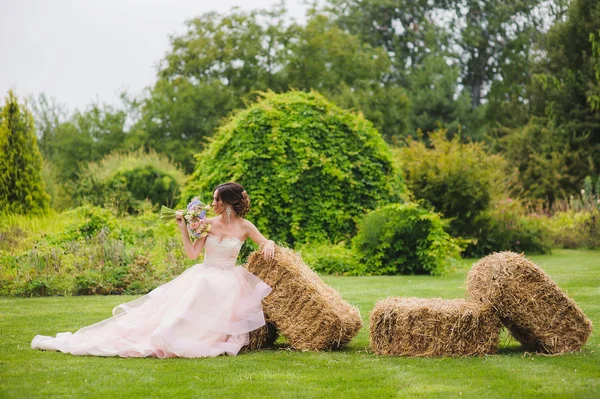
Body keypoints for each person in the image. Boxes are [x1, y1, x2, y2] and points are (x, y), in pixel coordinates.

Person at [31, 182, 275, 358]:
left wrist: (271, 245)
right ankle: (166, 335)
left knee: (210, 292)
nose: (212, 204)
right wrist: (183, 226)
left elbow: (265, 242)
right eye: (212, 199)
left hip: (228, 280)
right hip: (205, 274)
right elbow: (192, 254)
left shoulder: (245, 227)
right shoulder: (206, 224)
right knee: (199, 288)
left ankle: (194, 335)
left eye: (216, 200)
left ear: (228, 202)